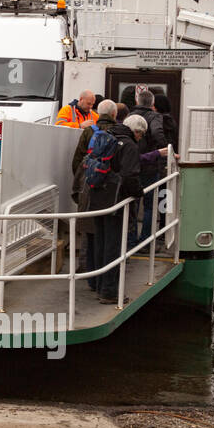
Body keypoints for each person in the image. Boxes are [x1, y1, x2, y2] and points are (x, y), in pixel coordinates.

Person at [88, 113, 164, 304]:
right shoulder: (129, 145)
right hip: (115, 200)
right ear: (137, 132)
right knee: (113, 246)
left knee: (101, 242)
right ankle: (109, 292)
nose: (140, 139)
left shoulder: (108, 135)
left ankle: (98, 284)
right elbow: (130, 176)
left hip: (98, 197)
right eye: (141, 135)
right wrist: (139, 192)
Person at [72, 99, 117, 287]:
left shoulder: (89, 131)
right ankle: (101, 276)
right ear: (114, 115)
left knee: (87, 231)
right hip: (106, 188)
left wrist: (78, 184)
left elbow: (77, 159)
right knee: (104, 234)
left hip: (86, 184)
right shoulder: (117, 133)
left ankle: (84, 268)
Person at [129, 86, 168, 246]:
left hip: (132, 165)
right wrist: (167, 150)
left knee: (132, 204)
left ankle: (130, 241)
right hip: (150, 166)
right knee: (149, 206)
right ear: (152, 103)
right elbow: (157, 132)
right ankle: (145, 242)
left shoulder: (130, 115)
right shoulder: (155, 116)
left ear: (137, 101)